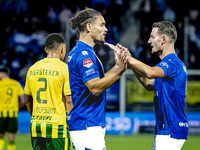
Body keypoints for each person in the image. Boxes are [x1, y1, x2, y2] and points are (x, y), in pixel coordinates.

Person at [106, 21, 188, 150]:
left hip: (170, 131)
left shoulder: (172, 63)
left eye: (152, 37)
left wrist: (127, 58)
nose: (149, 41)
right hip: (166, 131)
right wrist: (131, 62)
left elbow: (149, 73)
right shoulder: (168, 66)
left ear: (163, 39)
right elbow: (148, 84)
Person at [67, 8, 126, 150]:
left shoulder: (83, 51)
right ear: (89, 27)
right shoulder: (84, 54)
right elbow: (95, 87)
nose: (105, 29)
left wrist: (118, 67)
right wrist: (118, 71)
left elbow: (98, 81)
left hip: (86, 124)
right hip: (87, 123)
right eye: (102, 25)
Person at [24, 33, 73, 150]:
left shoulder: (32, 69)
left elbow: (28, 101)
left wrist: (37, 118)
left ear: (46, 49)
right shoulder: (65, 69)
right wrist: (73, 126)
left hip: (36, 126)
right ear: (62, 49)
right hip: (58, 127)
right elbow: (69, 100)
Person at [0, 66, 24, 150]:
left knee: (0, 135)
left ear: (2, 74)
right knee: (11, 137)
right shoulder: (16, 84)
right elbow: (22, 101)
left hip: (1, 113)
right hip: (13, 113)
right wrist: (17, 109)